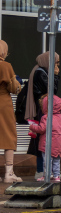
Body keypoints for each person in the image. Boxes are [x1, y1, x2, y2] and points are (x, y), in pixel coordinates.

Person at [23, 52, 58, 180]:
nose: (57, 66)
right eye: (56, 62)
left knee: (47, 140)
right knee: (43, 140)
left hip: (43, 110)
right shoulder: (41, 73)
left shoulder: (40, 71)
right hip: (42, 111)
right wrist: (55, 75)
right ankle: (41, 170)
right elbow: (53, 90)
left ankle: (49, 171)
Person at [27, 94, 61, 182]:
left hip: (48, 144)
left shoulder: (46, 117)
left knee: (47, 161)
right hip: (59, 145)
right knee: (56, 161)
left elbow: (41, 129)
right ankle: (56, 176)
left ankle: (46, 176)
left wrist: (32, 127)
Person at [0, 41, 21, 183]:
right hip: (3, 103)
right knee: (8, 135)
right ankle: (9, 173)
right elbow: (14, 88)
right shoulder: (6, 66)